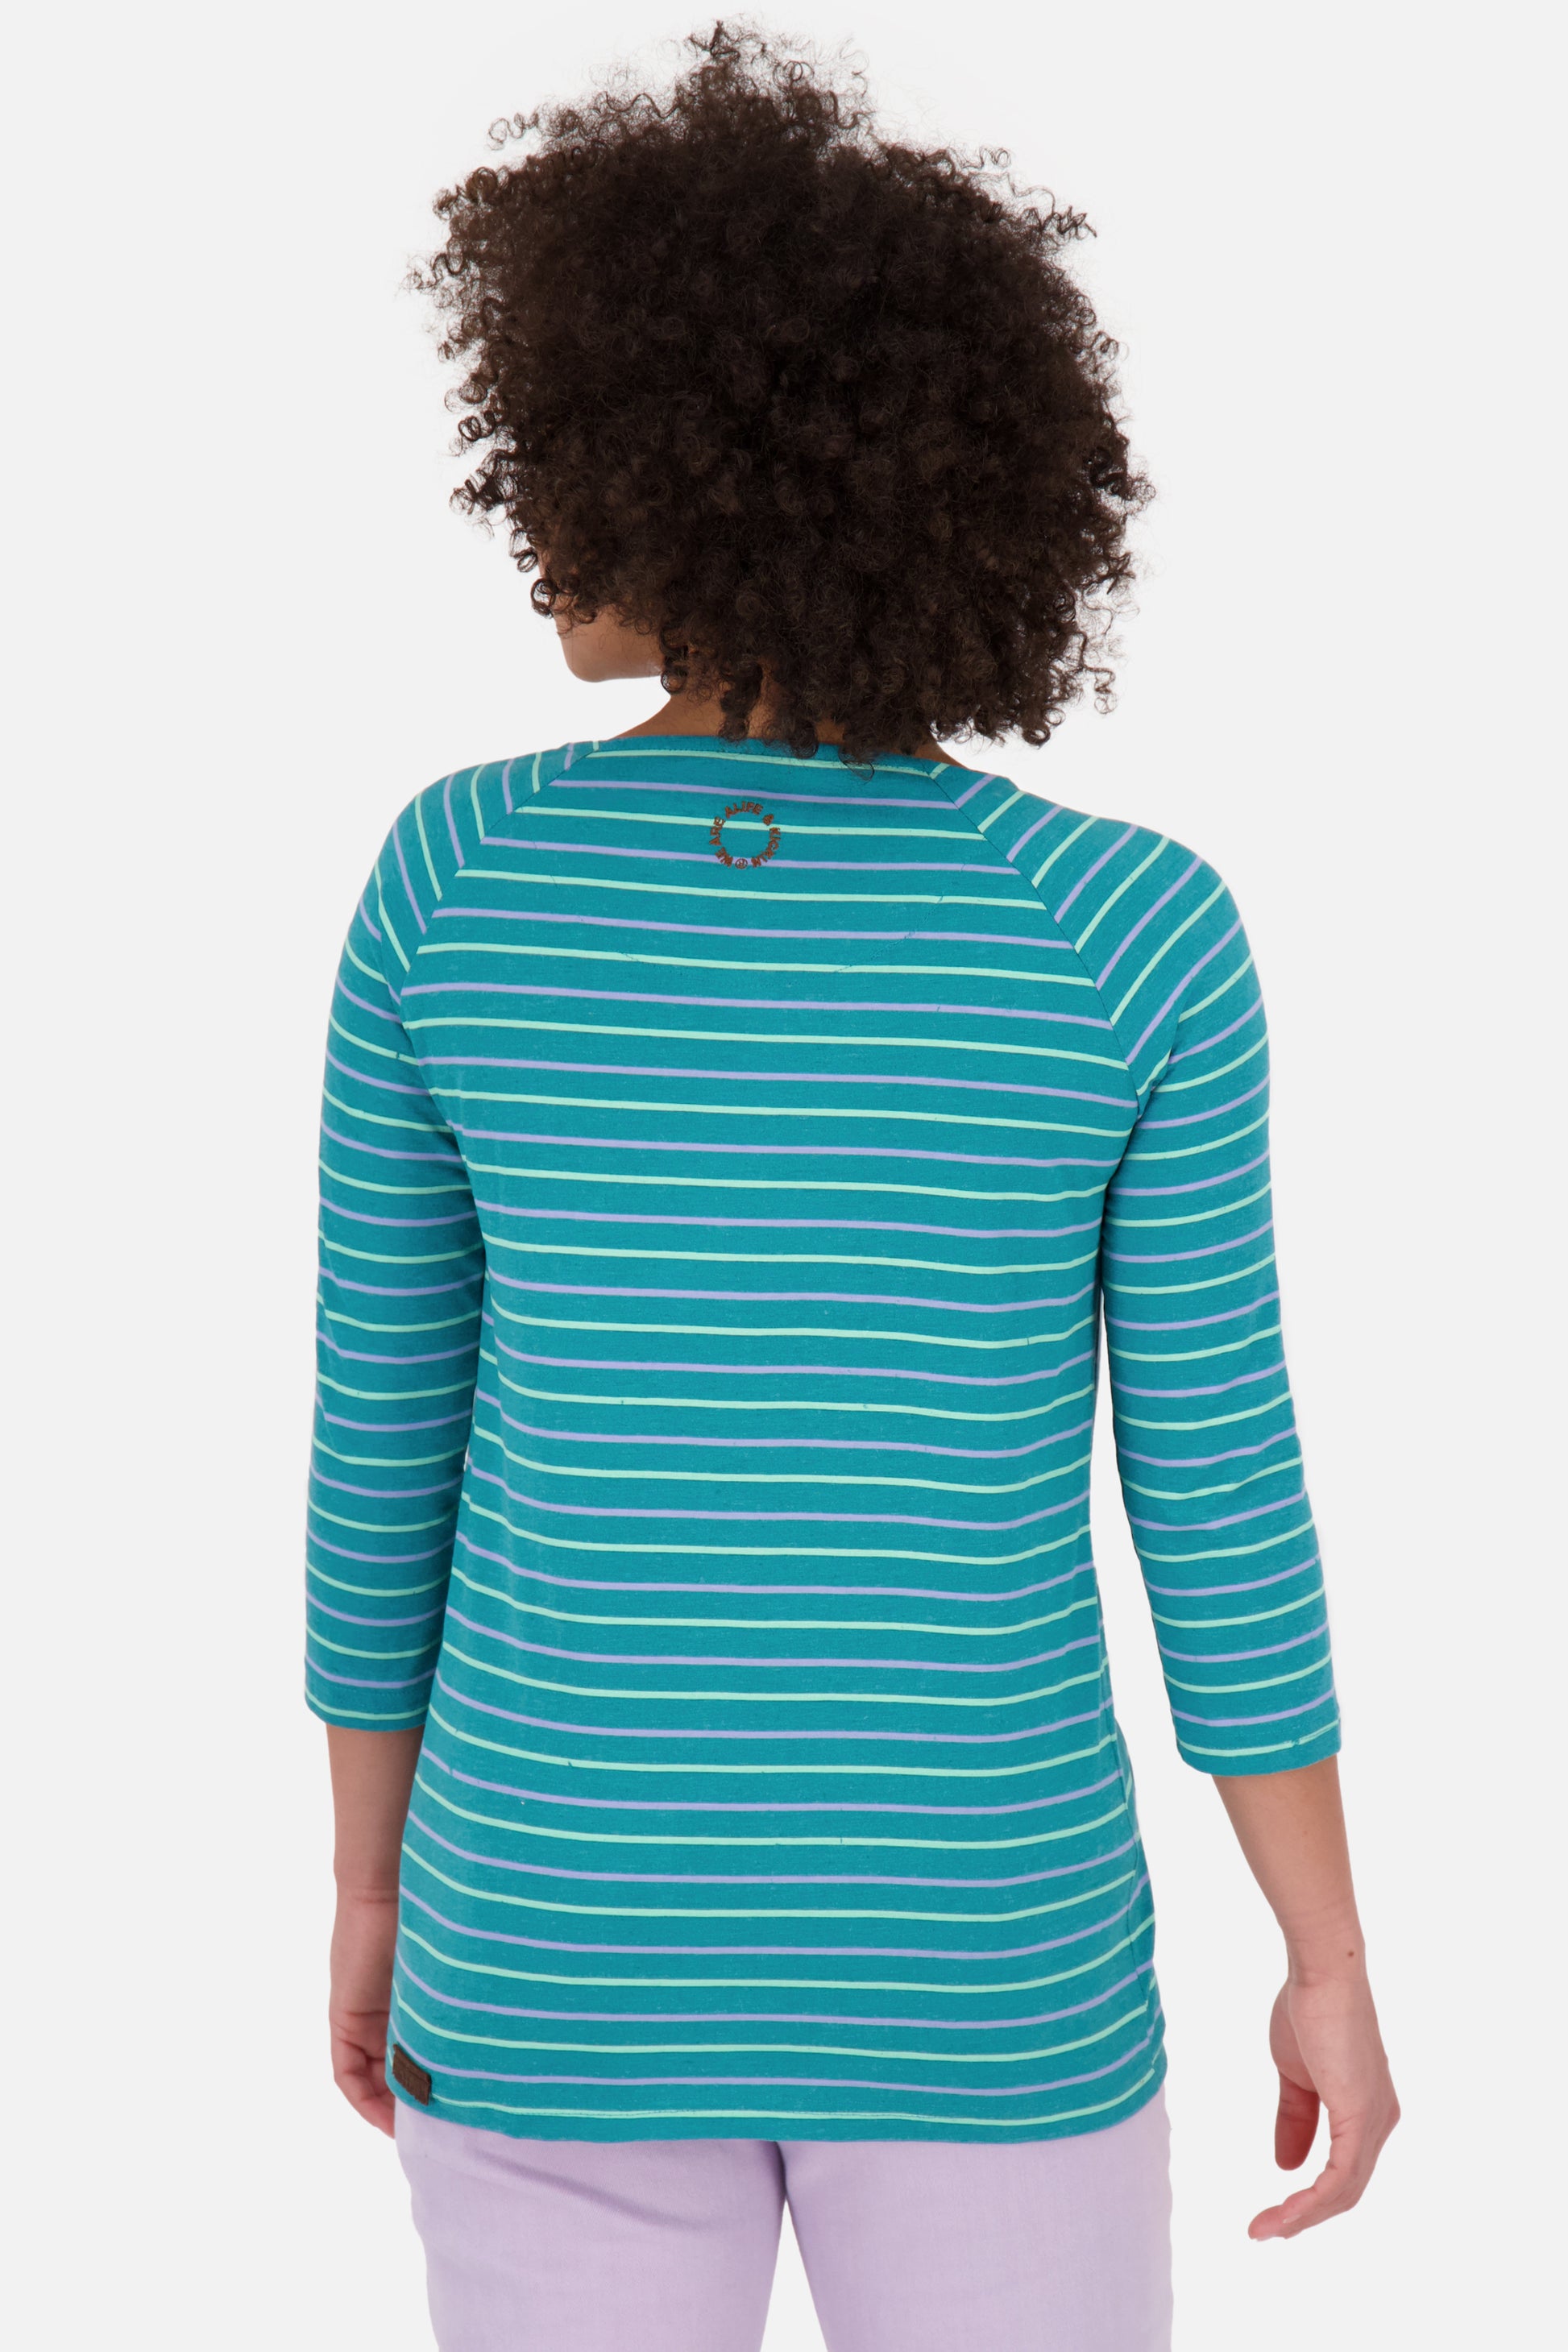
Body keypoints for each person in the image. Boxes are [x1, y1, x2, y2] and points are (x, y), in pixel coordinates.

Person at [307, 27, 1398, 2350]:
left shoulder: (458, 886)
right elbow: (1217, 1487)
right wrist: (1321, 1950)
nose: (533, 530)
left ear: (693, 466)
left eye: (568, 464)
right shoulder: (1124, 929)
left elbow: (382, 1449)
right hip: (987, 1963)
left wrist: (371, 1894)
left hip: (551, 1945)